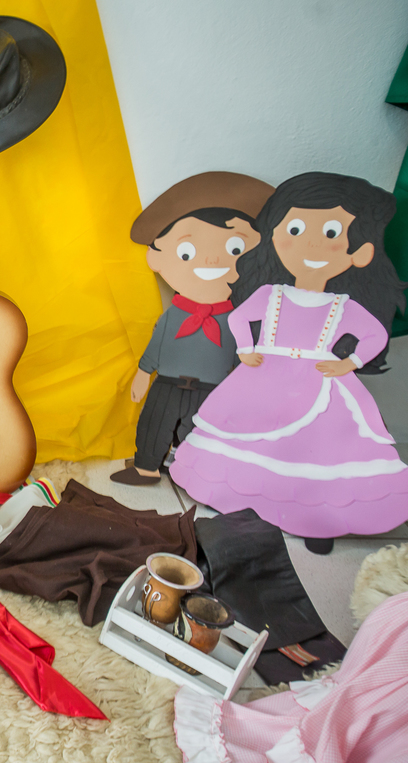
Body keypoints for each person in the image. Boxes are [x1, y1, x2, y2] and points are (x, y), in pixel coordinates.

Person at [169, 172, 408, 551]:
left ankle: (317, 520)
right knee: (244, 433)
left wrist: (349, 362)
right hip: (264, 374)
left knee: (318, 449)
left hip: (318, 378)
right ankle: (229, 496)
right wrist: (246, 348)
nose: (311, 243)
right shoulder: (271, 294)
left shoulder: (341, 305)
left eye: (331, 233)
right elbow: (238, 318)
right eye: (295, 229)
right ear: (275, 236)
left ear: (359, 252)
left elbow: (375, 335)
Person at [111, 172, 273, 486]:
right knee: (153, 423)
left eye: (235, 249)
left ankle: (192, 473)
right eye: (187, 252)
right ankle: (146, 467)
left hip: (212, 388)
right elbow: (157, 344)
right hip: (167, 384)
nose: (212, 259)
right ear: (156, 257)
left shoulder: (239, 318)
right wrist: (143, 373)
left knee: (199, 433)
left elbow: (243, 353)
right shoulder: (174, 314)